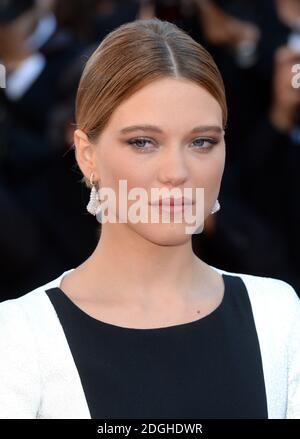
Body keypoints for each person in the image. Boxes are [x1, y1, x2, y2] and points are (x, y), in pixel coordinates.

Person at [0, 17, 299, 420]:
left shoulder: (279, 315)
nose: (176, 171)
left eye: (202, 141)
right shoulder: (20, 338)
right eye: (143, 142)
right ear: (88, 155)